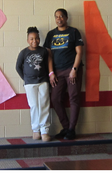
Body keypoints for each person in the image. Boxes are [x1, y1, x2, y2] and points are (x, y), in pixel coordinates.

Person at [44, 8, 85, 140]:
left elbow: (79, 52)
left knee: (74, 98)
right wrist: (51, 73)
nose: (59, 19)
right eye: (56, 17)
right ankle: (66, 127)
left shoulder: (73, 32)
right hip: (57, 72)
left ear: (66, 18)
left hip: (72, 70)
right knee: (55, 99)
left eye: (61, 16)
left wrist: (74, 69)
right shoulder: (51, 34)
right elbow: (49, 56)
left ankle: (72, 129)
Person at [16, 26, 52, 141]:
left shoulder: (43, 51)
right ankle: (35, 130)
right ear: (28, 40)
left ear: (39, 39)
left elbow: (48, 65)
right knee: (34, 106)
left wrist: (48, 77)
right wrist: (26, 79)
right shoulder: (24, 52)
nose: (34, 41)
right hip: (30, 83)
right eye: (31, 39)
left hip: (43, 81)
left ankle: (45, 130)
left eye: (36, 38)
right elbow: (18, 67)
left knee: (44, 105)